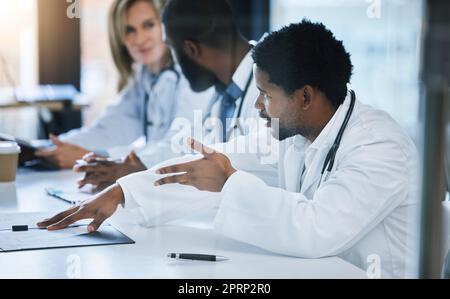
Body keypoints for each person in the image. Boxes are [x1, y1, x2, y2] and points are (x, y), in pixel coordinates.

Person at [37, 20, 419, 278]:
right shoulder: (295, 133)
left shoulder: (379, 146)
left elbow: (316, 230)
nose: (257, 106)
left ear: (305, 96)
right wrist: (123, 192)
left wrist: (230, 182)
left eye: (266, 96)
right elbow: (214, 164)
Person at [72, 0, 265, 192]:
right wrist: (132, 173)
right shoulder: (221, 92)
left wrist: (131, 181)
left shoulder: (266, 92)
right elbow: (185, 148)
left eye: (172, 50)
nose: (139, 39)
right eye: (130, 30)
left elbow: (242, 173)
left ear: (191, 50)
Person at [35, 0, 210, 170]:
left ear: (166, 25)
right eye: (129, 30)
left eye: (149, 25)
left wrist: (93, 156)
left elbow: (178, 147)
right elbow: (109, 129)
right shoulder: (144, 76)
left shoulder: (192, 75)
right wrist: (52, 147)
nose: (139, 39)